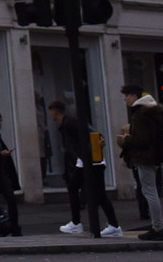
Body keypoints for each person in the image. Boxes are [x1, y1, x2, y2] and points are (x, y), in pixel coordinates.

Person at [50, 99, 120, 237]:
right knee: (85, 190)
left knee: (86, 191)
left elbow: (88, 133)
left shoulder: (69, 123)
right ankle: (111, 225)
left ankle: (79, 224)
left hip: (89, 162)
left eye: (51, 112)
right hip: (86, 161)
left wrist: (97, 142)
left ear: (55, 112)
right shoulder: (68, 124)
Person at [120, 83, 163, 241]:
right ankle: (158, 226)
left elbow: (142, 140)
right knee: (151, 191)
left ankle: (158, 228)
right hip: (152, 156)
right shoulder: (150, 113)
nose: (125, 99)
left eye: (127, 96)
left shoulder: (139, 115)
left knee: (149, 192)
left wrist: (127, 139)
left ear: (134, 97)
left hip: (145, 157)